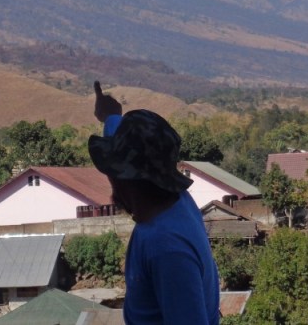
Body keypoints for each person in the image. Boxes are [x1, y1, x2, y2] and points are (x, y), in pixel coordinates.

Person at [90, 81, 220, 325]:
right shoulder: (178, 200)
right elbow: (123, 135)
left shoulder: (167, 249)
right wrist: (109, 115)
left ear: (127, 178)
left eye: (112, 170)